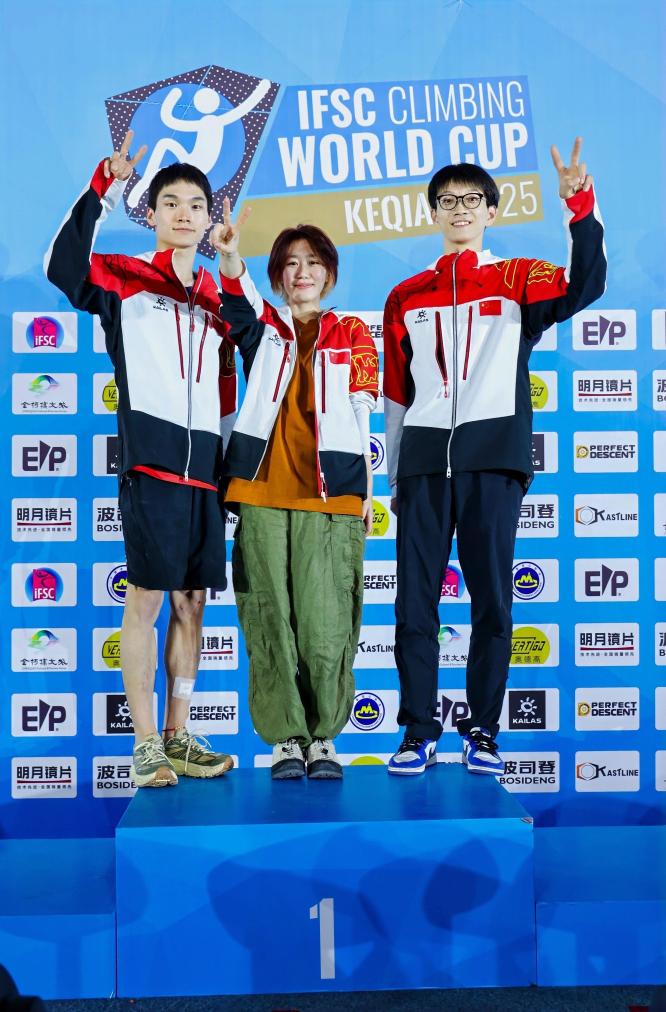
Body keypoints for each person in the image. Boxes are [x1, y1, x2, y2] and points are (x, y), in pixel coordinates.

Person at [383, 137, 606, 776]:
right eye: (448, 201)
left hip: (493, 460)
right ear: (433, 212)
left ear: (490, 211)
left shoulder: (518, 279)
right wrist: (397, 471)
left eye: (472, 200)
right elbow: (397, 391)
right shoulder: (406, 295)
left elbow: (585, 284)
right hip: (425, 463)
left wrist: (579, 206)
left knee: (492, 605)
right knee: (414, 605)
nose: (460, 209)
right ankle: (417, 732)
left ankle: (482, 731)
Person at [45, 130, 236, 787]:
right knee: (148, 602)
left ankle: (179, 735)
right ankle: (146, 742)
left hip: (204, 475)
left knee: (192, 605)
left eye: (196, 205)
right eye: (171, 203)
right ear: (151, 214)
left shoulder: (218, 298)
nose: (184, 213)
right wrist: (103, 184)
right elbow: (62, 266)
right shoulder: (125, 279)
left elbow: (242, 370)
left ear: (208, 220)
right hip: (151, 466)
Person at [210, 202, 379, 779]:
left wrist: (365, 491)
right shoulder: (265, 328)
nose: (302, 272)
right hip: (260, 492)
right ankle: (285, 739)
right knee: (268, 618)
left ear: (329, 274)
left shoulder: (352, 332)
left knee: (327, 622)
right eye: (290, 263)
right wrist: (230, 255)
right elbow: (238, 302)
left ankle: (323, 737)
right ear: (278, 276)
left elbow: (362, 413)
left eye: (313, 262)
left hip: (332, 495)